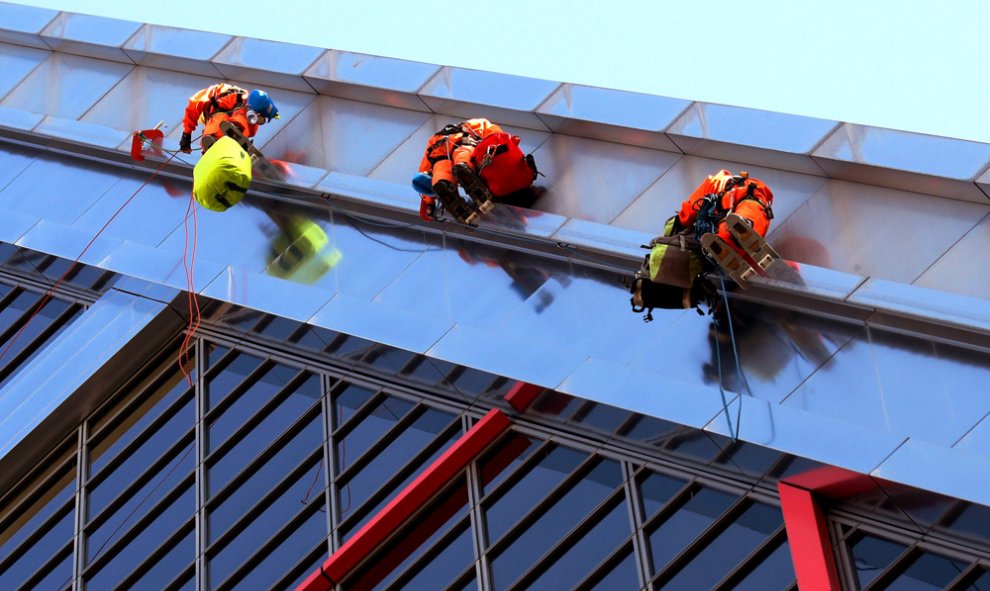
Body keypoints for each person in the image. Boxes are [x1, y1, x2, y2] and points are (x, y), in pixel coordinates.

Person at [629, 170, 774, 321]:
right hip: (752, 208)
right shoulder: (748, 189)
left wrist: (682, 222)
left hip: (734, 213)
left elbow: (690, 209)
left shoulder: (713, 184)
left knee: (732, 228)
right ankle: (743, 228)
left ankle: (737, 234)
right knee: (743, 221)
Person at [414, 118, 538, 224]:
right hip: (464, 144)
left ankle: (443, 185)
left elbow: (423, 170)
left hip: (439, 156)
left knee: (441, 171)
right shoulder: (474, 124)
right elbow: (495, 136)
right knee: (463, 156)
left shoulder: (435, 138)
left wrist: (427, 204)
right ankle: (464, 169)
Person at [180, 83, 280, 154]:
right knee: (246, 126)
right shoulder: (242, 99)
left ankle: (216, 143)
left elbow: (194, 105)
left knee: (218, 123)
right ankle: (237, 140)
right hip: (241, 114)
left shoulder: (210, 99)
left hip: (232, 116)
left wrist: (186, 134)